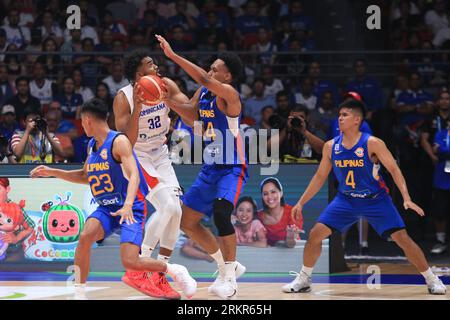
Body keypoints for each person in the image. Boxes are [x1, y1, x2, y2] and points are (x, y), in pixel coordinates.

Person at [30, 98, 196, 299]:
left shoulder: (119, 142)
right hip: (106, 210)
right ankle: (79, 293)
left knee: (130, 262)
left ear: (88, 119)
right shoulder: (92, 145)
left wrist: (127, 205)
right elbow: (85, 176)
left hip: (130, 208)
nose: (82, 126)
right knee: (84, 237)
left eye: (82, 121)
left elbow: (134, 174)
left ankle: (175, 270)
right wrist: (53, 172)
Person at [283, 98, 447, 295]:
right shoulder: (330, 146)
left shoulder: (372, 143)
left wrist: (406, 197)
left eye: (345, 115)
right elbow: (319, 177)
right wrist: (301, 202)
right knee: (315, 235)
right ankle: (304, 278)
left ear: (357, 120)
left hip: (375, 200)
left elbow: (394, 170)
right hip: (346, 200)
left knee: (402, 239)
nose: (340, 119)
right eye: (339, 115)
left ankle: (431, 279)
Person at [156, 34, 247, 299]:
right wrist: (166, 101)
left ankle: (230, 279)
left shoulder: (230, 95)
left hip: (232, 166)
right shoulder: (204, 92)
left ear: (227, 77)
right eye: (210, 68)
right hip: (211, 167)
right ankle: (225, 266)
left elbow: (204, 80)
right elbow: (191, 113)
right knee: (187, 221)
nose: (210, 72)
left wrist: (172, 56)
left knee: (221, 213)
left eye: (216, 69)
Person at [114, 49, 191, 299]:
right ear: (139, 73)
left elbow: (191, 115)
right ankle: (141, 266)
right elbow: (128, 140)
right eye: (150, 64)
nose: (157, 67)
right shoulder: (123, 98)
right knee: (167, 206)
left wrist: (170, 102)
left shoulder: (166, 84)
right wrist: (139, 106)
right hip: (137, 154)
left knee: (177, 209)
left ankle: (158, 273)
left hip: (160, 152)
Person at [257, 177, 302, 248]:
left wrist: (290, 236)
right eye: (265, 194)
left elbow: (291, 244)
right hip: (268, 256)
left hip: (292, 254)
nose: (269, 197)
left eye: (273, 192)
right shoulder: (258, 216)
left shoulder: (293, 212)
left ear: (281, 193)